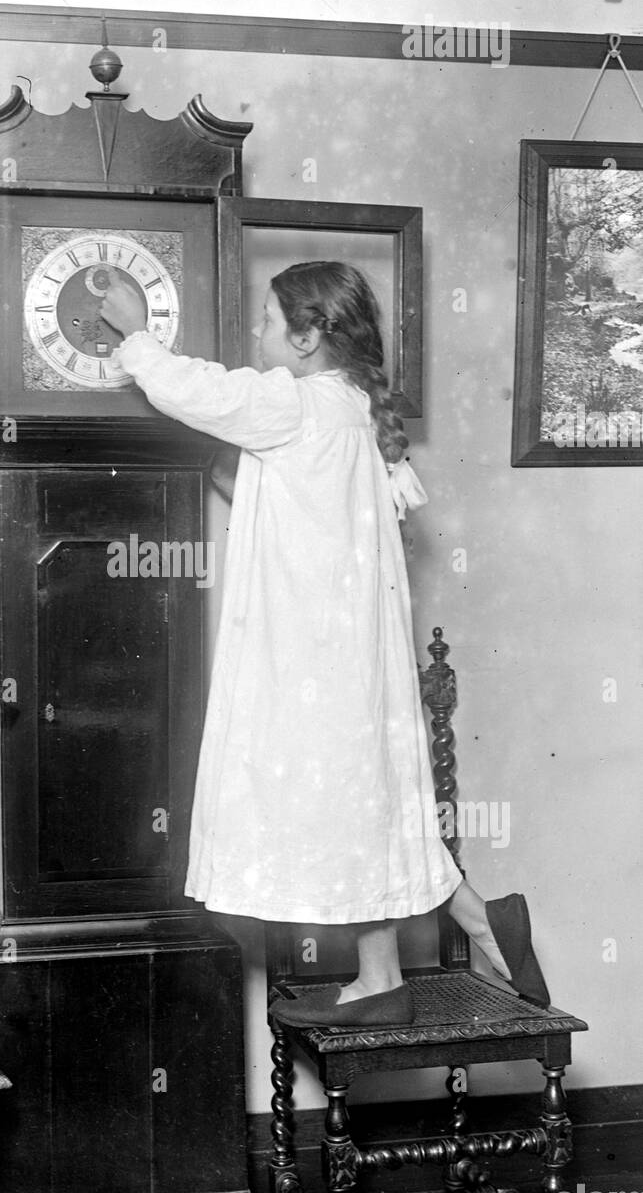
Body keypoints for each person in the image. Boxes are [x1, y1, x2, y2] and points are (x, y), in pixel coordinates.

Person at [100, 261, 549, 1028]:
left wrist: (134, 330)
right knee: (359, 806)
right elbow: (305, 505)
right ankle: (408, 961)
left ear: (308, 337)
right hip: (348, 656)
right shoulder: (350, 411)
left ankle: (467, 928)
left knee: (337, 804)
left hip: (311, 654)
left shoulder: (295, 403)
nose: (261, 336)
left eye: (271, 324)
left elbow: (197, 388)